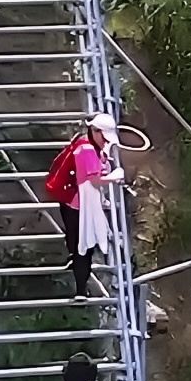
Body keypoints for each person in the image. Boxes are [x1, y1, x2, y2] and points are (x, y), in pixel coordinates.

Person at [55, 112, 124, 300]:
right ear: (95, 131)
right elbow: (95, 180)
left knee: (77, 243)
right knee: (84, 247)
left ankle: (77, 270)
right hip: (79, 206)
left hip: (74, 203)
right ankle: (80, 289)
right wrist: (115, 176)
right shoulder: (86, 150)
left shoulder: (86, 145)